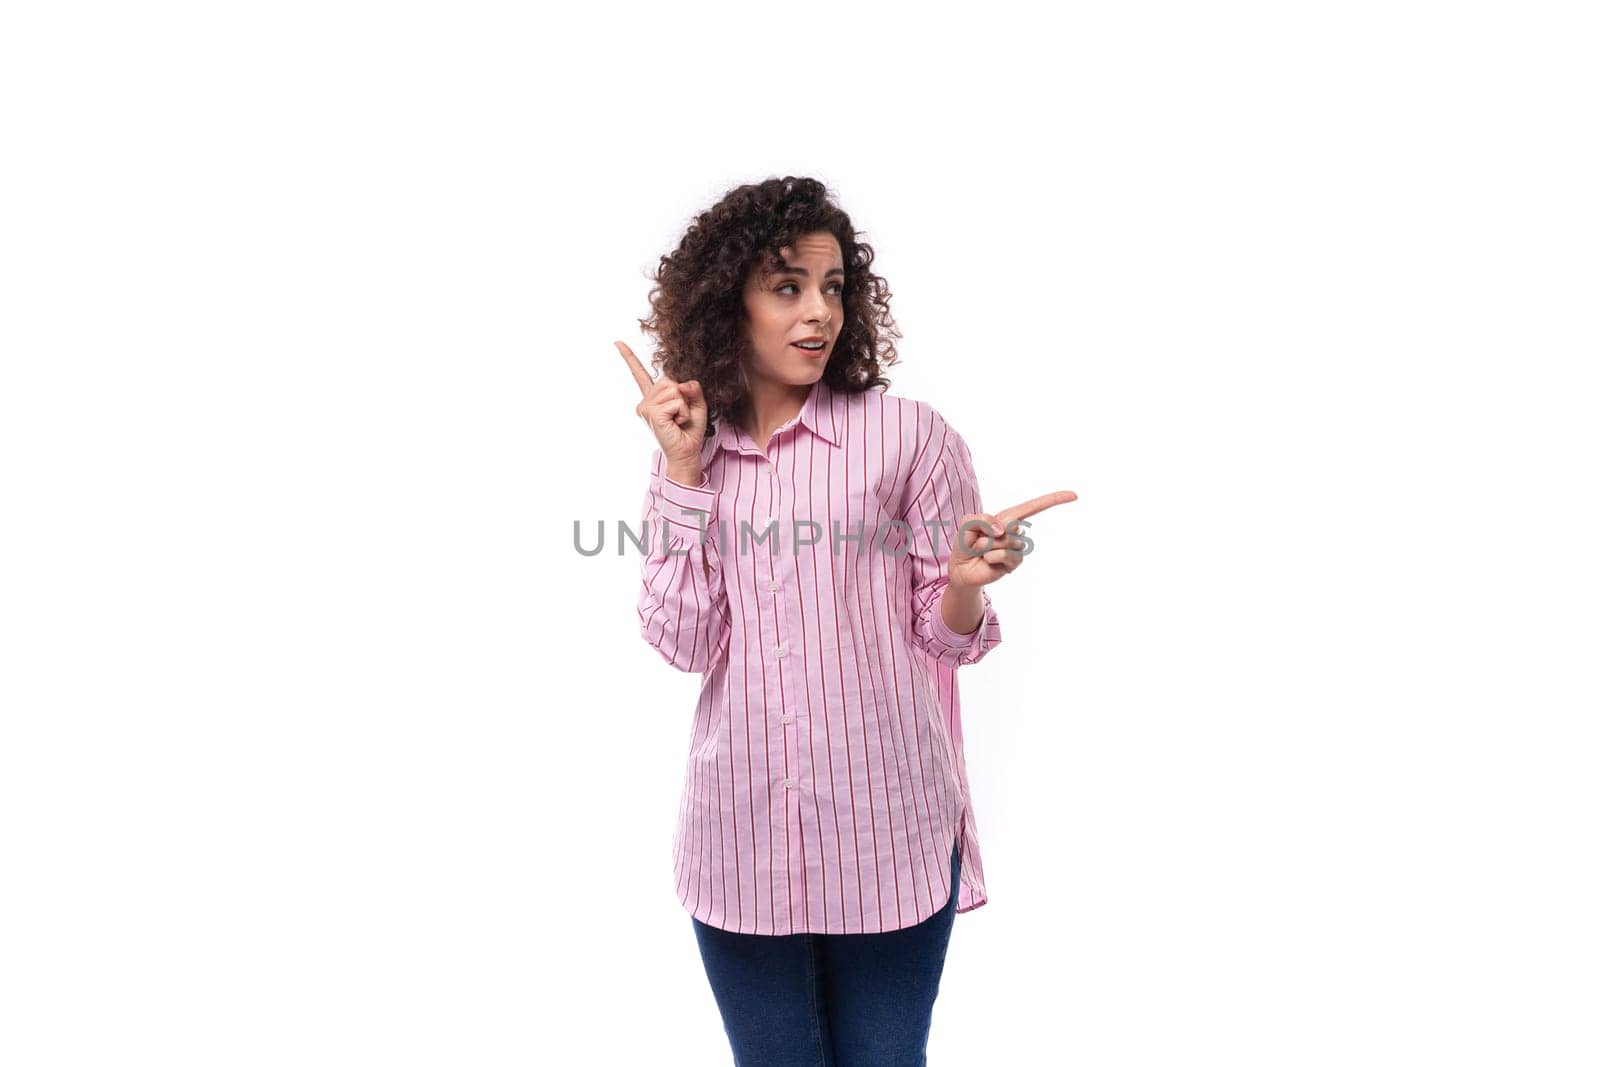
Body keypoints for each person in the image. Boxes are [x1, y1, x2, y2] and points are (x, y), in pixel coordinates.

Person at [616, 176, 1076, 1065]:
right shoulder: (694, 456)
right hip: (740, 840)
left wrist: (963, 583)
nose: (817, 313)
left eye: (832, 288)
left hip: (890, 835)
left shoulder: (909, 437)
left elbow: (944, 637)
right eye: (787, 287)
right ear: (728, 302)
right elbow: (682, 641)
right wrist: (679, 471)